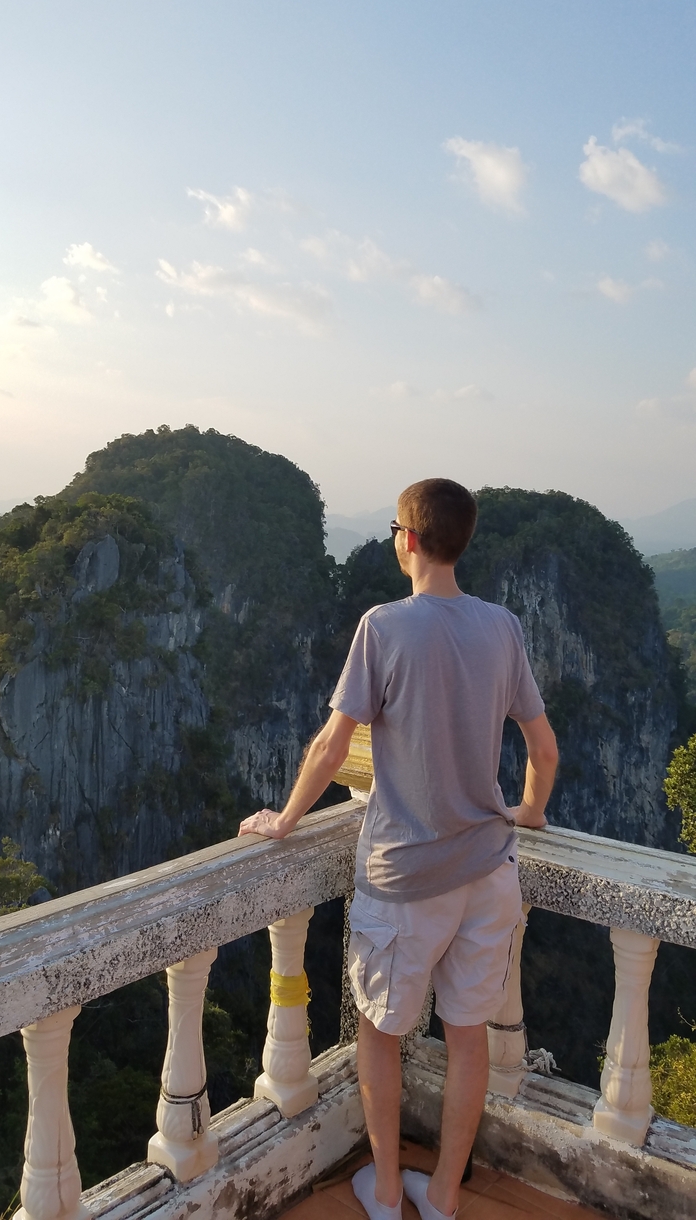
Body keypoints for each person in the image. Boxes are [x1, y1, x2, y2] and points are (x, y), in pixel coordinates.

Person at [238, 478, 558, 1220]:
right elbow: (542, 744)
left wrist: (284, 819)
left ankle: (385, 1193)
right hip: (488, 870)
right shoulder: (503, 626)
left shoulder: (383, 626)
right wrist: (528, 811)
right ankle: (443, 1195)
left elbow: (332, 741)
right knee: (468, 1037)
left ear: (407, 539)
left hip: (407, 879)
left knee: (380, 1036)